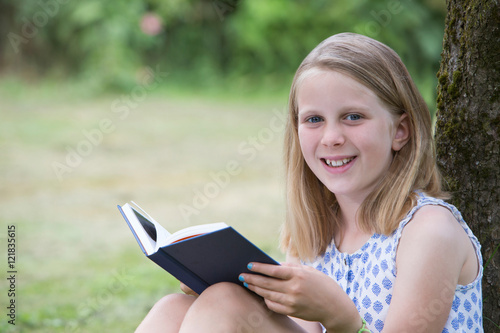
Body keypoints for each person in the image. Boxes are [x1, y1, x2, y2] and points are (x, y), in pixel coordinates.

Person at [135, 33, 483, 333]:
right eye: (314, 119)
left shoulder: (429, 230)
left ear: (400, 131)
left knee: (224, 303)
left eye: (353, 117)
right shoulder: (314, 232)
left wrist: (342, 320)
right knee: (176, 308)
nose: (331, 137)